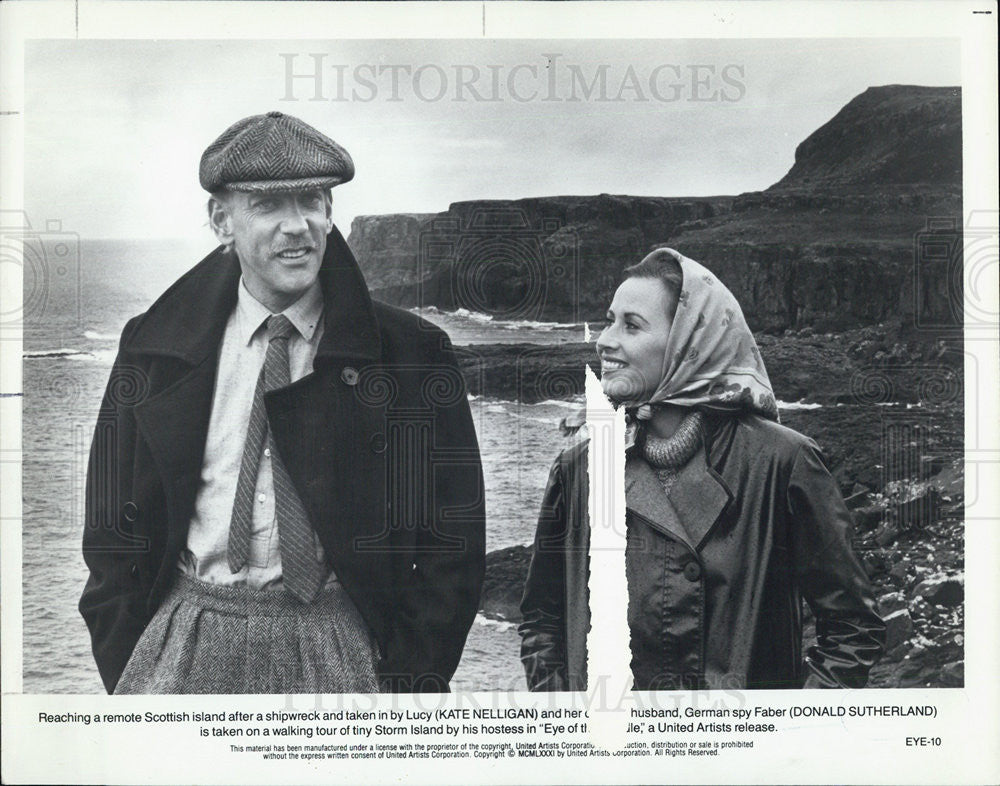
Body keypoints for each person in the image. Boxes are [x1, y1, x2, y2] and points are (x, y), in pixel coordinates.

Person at [79, 111, 486, 694]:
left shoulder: (412, 354)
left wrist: (409, 684)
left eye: (313, 201)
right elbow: (110, 533)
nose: (297, 226)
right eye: (268, 206)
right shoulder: (150, 346)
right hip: (184, 644)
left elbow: (454, 546)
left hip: (343, 652)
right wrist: (131, 665)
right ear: (222, 220)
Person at [519, 247, 885, 691]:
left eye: (630, 326)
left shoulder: (782, 463)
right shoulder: (581, 467)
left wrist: (792, 736)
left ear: (688, 343)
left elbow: (852, 629)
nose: (603, 340)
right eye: (609, 320)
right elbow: (542, 621)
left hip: (740, 753)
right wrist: (569, 723)